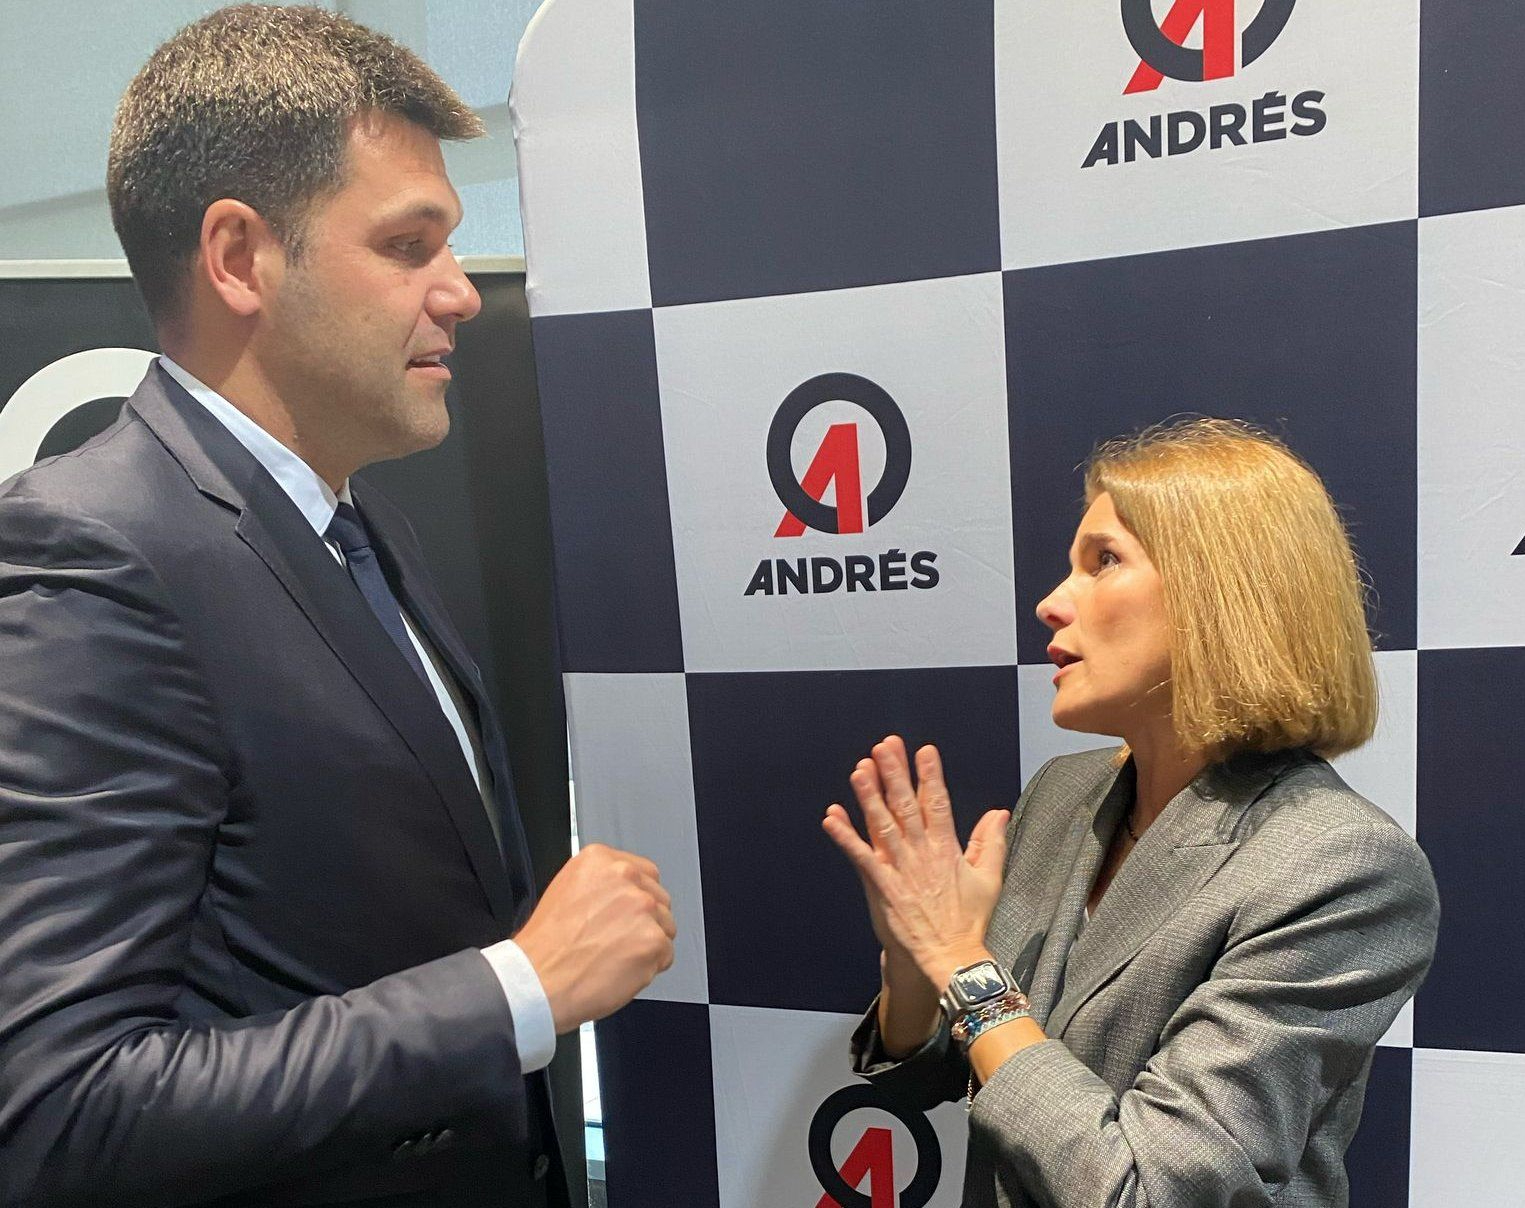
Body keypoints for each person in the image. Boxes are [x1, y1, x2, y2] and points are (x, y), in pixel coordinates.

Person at [0, 7, 675, 1206]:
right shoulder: (95, 552)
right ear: (239, 258)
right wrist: (519, 985)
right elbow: (65, 1109)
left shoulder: (369, 530)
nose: (461, 292)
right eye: (409, 244)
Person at [823, 418, 1439, 1207]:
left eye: (1103, 561)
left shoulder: (1340, 864)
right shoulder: (1063, 795)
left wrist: (959, 960)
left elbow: (1147, 1190)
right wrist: (916, 958)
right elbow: (961, 1063)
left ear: (1223, 591)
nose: (1050, 603)